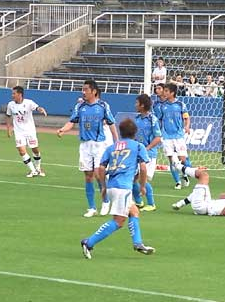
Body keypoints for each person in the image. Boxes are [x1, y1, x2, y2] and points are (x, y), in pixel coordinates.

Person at [80, 118, 155, 259]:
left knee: (134, 212)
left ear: (120, 132)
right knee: (118, 221)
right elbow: (143, 167)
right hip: (123, 187)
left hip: (112, 185)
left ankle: (138, 243)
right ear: (135, 132)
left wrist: (103, 187)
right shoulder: (138, 146)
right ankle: (89, 242)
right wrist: (143, 185)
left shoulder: (112, 147)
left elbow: (101, 167)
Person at [57, 80, 119, 218]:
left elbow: (111, 123)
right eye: (83, 89)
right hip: (85, 145)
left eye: (86, 90)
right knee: (88, 176)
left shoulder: (103, 105)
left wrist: (116, 142)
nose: (83, 92)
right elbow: (72, 122)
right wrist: (63, 129)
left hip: (99, 144)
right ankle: (91, 207)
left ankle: (105, 201)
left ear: (94, 91)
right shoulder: (80, 106)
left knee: (98, 174)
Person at [154, 83, 190, 189]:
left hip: (179, 135)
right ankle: (177, 182)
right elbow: (159, 120)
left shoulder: (180, 104)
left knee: (182, 159)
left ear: (172, 93)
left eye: (166, 91)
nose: (164, 93)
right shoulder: (162, 106)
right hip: (166, 136)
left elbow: (186, 117)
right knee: (171, 160)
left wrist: (187, 127)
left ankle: (184, 174)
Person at [6, 86, 47, 178]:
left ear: (19, 94)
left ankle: (38, 168)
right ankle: (32, 171)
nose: (12, 95)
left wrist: (41, 110)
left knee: (35, 149)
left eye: (14, 93)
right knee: (21, 150)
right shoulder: (10, 105)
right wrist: (8, 129)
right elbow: (8, 116)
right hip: (18, 132)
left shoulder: (29, 103)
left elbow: (37, 108)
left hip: (30, 131)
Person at [133, 94, 162, 212]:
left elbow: (158, 137)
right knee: (132, 179)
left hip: (148, 154)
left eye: (137, 103)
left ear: (142, 105)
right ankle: (139, 202)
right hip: (137, 153)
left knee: (142, 179)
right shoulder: (137, 119)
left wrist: (148, 148)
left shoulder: (152, 119)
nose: (135, 105)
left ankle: (151, 204)